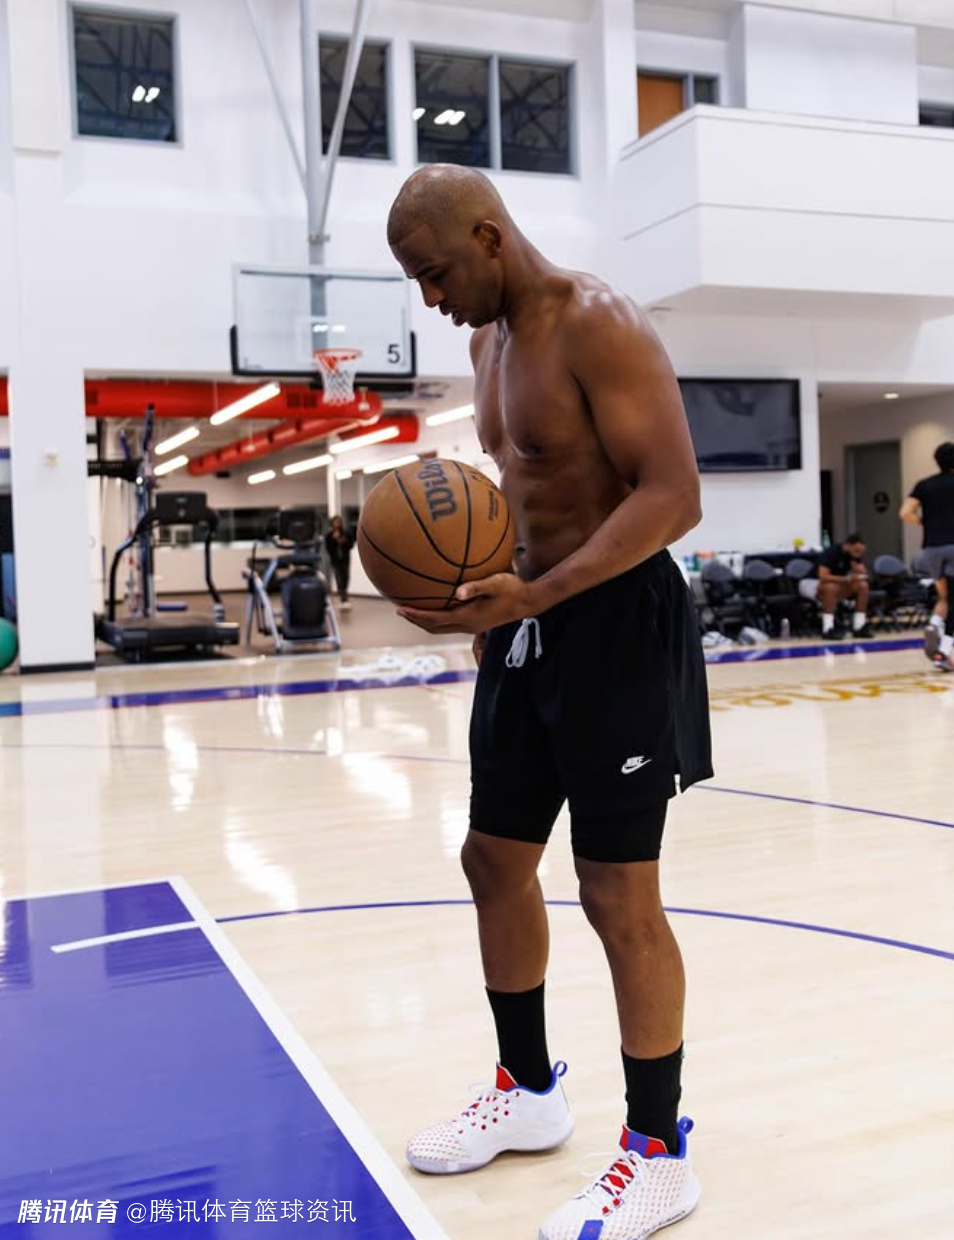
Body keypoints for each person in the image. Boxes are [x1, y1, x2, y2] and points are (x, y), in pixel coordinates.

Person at [386, 164, 713, 1240]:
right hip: (530, 626)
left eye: (436, 273)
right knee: (492, 860)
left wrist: (538, 591)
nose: (432, 299)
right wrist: (485, 591)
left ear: (488, 237)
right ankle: (527, 1091)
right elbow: (527, 495)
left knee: (617, 894)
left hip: (618, 625)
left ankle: (657, 1152)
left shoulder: (597, 322)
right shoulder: (486, 342)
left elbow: (675, 494)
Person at [900, 441, 954, 671]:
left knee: (945, 597)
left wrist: (925, 522)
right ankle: (944, 651)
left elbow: (905, 512)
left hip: (931, 548)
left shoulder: (924, 485)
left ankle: (934, 624)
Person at [797, 533, 873, 640]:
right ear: (847, 546)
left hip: (836, 583)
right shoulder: (832, 553)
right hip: (810, 582)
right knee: (830, 588)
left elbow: (862, 574)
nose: (858, 554)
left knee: (863, 586)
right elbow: (823, 577)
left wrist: (860, 570)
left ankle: (859, 626)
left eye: (861, 552)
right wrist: (847, 579)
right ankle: (828, 628)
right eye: (857, 551)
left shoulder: (853, 556)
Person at [324, 515, 354, 611]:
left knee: (346, 578)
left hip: (345, 560)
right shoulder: (329, 535)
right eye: (335, 522)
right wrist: (334, 540)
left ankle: (344, 595)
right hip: (335, 561)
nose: (337, 524)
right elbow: (328, 548)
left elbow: (351, 545)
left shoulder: (346, 533)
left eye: (338, 522)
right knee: (339, 579)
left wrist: (344, 542)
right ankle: (343, 599)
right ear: (332, 523)